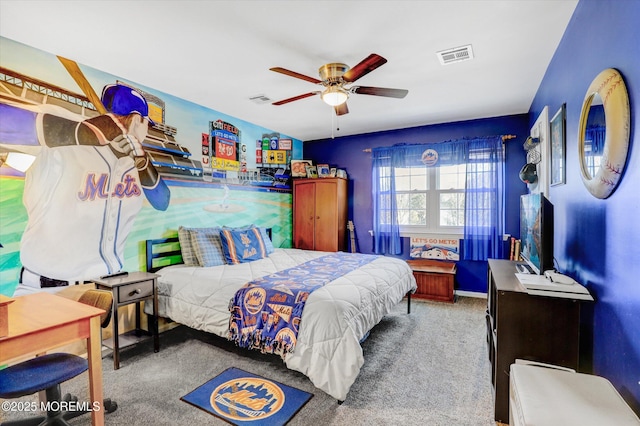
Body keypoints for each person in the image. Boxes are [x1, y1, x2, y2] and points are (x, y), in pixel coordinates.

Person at [0, 83, 170, 295]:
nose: (147, 129)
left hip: (104, 292)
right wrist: (87, 131)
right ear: (137, 120)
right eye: (147, 123)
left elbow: (163, 201)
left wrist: (143, 161)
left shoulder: (135, 162)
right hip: (45, 291)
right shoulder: (64, 141)